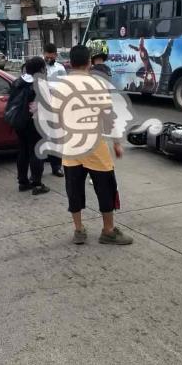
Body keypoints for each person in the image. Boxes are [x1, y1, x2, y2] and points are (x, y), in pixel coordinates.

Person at [63, 45, 132, 245]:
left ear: (71, 62)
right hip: (95, 147)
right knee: (105, 188)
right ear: (89, 62)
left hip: (71, 147)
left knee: (73, 189)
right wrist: (117, 143)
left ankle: (78, 230)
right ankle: (108, 230)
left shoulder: (60, 86)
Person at [8, 56, 50, 195]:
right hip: (35, 122)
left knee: (23, 150)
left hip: (19, 121)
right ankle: (37, 184)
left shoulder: (18, 82)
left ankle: (23, 182)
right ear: (41, 69)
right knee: (36, 152)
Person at [42, 43, 66, 177]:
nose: (49, 59)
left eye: (52, 57)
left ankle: (56, 166)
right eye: (47, 56)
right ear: (44, 54)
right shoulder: (39, 67)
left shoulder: (60, 68)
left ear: (56, 55)